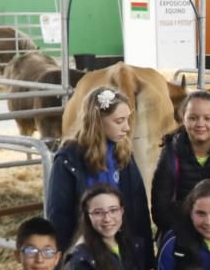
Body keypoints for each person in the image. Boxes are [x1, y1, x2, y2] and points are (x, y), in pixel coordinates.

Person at [45, 88, 153, 250]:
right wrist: (64, 260)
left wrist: (144, 256)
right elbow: (59, 214)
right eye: (119, 121)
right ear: (98, 120)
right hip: (84, 250)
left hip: (123, 247)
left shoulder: (123, 154)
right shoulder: (68, 160)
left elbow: (138, 206)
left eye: (127, 120)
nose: (127, 128)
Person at [152, 90, 210, 237]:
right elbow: (160, 211)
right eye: (193, 118)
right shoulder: (170, 154)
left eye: (208, 118)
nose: (200, 124)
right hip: (181, 232)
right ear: (183, 118)